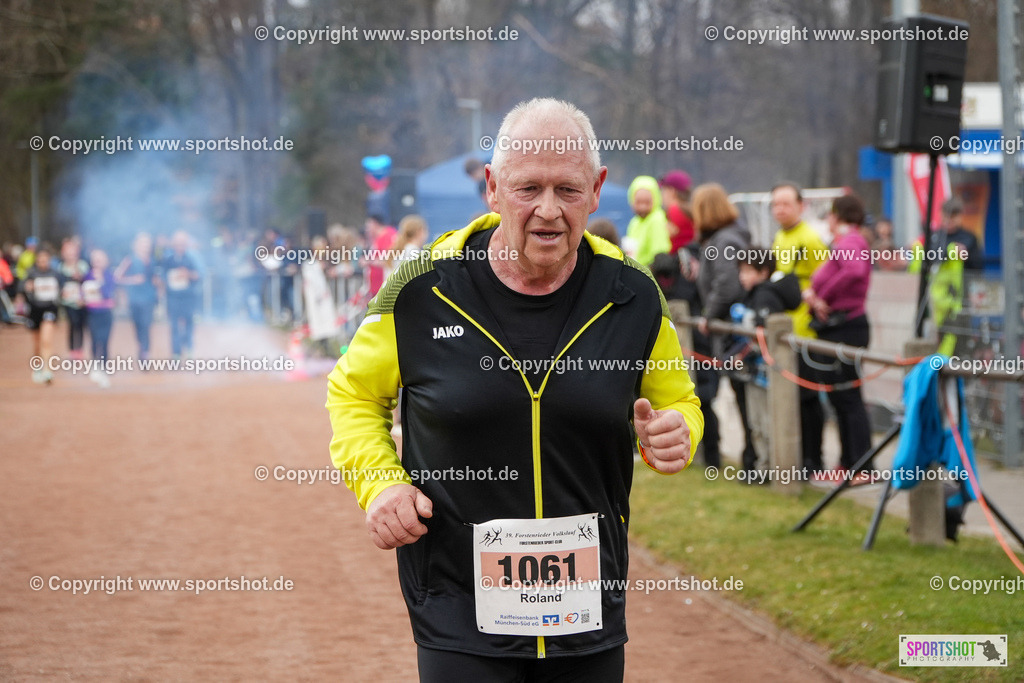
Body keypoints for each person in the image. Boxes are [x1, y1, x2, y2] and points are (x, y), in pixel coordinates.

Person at [326, 98, 702, 682]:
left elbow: (678, 402)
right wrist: (380, 483)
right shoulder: (421, 289)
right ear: (493, 188)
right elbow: (352, 395)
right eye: (529, 189)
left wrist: (678, 433)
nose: (548, 210)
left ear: (597, 190)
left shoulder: (631, 294)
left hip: (587, 613)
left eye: (567, 190)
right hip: (457, 607)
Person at [802, 194, 874, 476]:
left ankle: (861, 465)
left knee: (848, 396)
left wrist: (823, 296)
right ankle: (849, 462)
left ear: (837, 215)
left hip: (847, 326)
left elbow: (854, 270)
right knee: (841, 397)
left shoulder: (851, 241)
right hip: (838, 327)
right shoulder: (848, 241)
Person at [692, 183, 759, 472]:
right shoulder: (730, 237)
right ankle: (753, 460)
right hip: (734, 331)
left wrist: (709, 315)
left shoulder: (723, 242)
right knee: (744, 399)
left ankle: (754, 462)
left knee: (746, 400)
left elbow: (728, 284)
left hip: (734, 334)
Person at [769, 182, 829, 475]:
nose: (780, 209)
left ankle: (813, 460)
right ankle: (796, 456)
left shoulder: (810, 239)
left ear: (801, 207)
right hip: (784, 330)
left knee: (808, 399)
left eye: (786, 204)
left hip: (806, 332)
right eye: (775, 204)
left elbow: (825, 278)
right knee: (790, 397)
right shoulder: (780, 236)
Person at [115, 233, 159, 360]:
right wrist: (133, 280)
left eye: (147, 244)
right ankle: (142, 348)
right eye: (142, 243)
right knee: (138, 326)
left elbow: (155, 279)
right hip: (134, 300)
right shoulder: (129, 260)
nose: (145, 246)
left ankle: (145, 352)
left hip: (149, 299)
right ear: (135, 245)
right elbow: (117, 277)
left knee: (146, 324)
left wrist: (157, 284)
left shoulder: (152, 261)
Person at [21, 245, 60, 384]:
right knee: (37, 342)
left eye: (45, 260)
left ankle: (47, 370)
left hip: (50, 309)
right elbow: (21, 289)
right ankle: (37, 366)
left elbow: (63, 288)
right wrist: (27, 288)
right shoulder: (31, 274)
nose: (43, 262)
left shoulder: (55, 274)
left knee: (46, 340)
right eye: (40, 260)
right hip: (35, 310)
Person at [163, 231, 202, 359]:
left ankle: (189, 350)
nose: (180, 246)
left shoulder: (192, 258)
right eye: (177, 243)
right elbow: (163, 276)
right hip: (173, 297)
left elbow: (200, 275)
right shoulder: (168, 259)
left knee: (189, 325)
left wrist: (188, 274)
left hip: (188, 297)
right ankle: (176, 354)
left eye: (182, 243)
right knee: (174, 326)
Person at [83, 249, 116, 388]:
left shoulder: (109, 276)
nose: (97, 263)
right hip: (92, 313)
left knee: (104, 341)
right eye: (95, 260)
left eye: (100, 260)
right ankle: (95, 366)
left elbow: (108, 293)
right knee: (95, 340)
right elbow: (82, 293)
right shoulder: (87, 276)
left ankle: (104, 370)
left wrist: (100, 281)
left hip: (106, 313)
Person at [624, 176, 671, 266]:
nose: (643, 207)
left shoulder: (657, 219)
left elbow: (660, 256)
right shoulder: (635, 222)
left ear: (656, 199)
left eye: (647, 202)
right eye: (638, 202)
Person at [57, 237, 90, 360]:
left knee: (80, 325)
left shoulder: (83, 266)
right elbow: (59, 283)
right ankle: (72, 351)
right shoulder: (61, 267)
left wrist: (81, 278)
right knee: (72, 324)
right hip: (68, 302)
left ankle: (79, 351)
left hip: (82, 302)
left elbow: (89, 282)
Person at [659, 170, 694, 252]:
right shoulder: (689, 208)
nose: (661, 195)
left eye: (663, 190)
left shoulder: (674, 210)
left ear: (672, 191)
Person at [363, 214, 397, 297]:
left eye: (368, 226)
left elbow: (390, 260)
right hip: (376, 288)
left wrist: (369, 262)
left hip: (384, 287)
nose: (367, 230)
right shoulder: (378, 238)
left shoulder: (388, 236)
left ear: (375, 224)